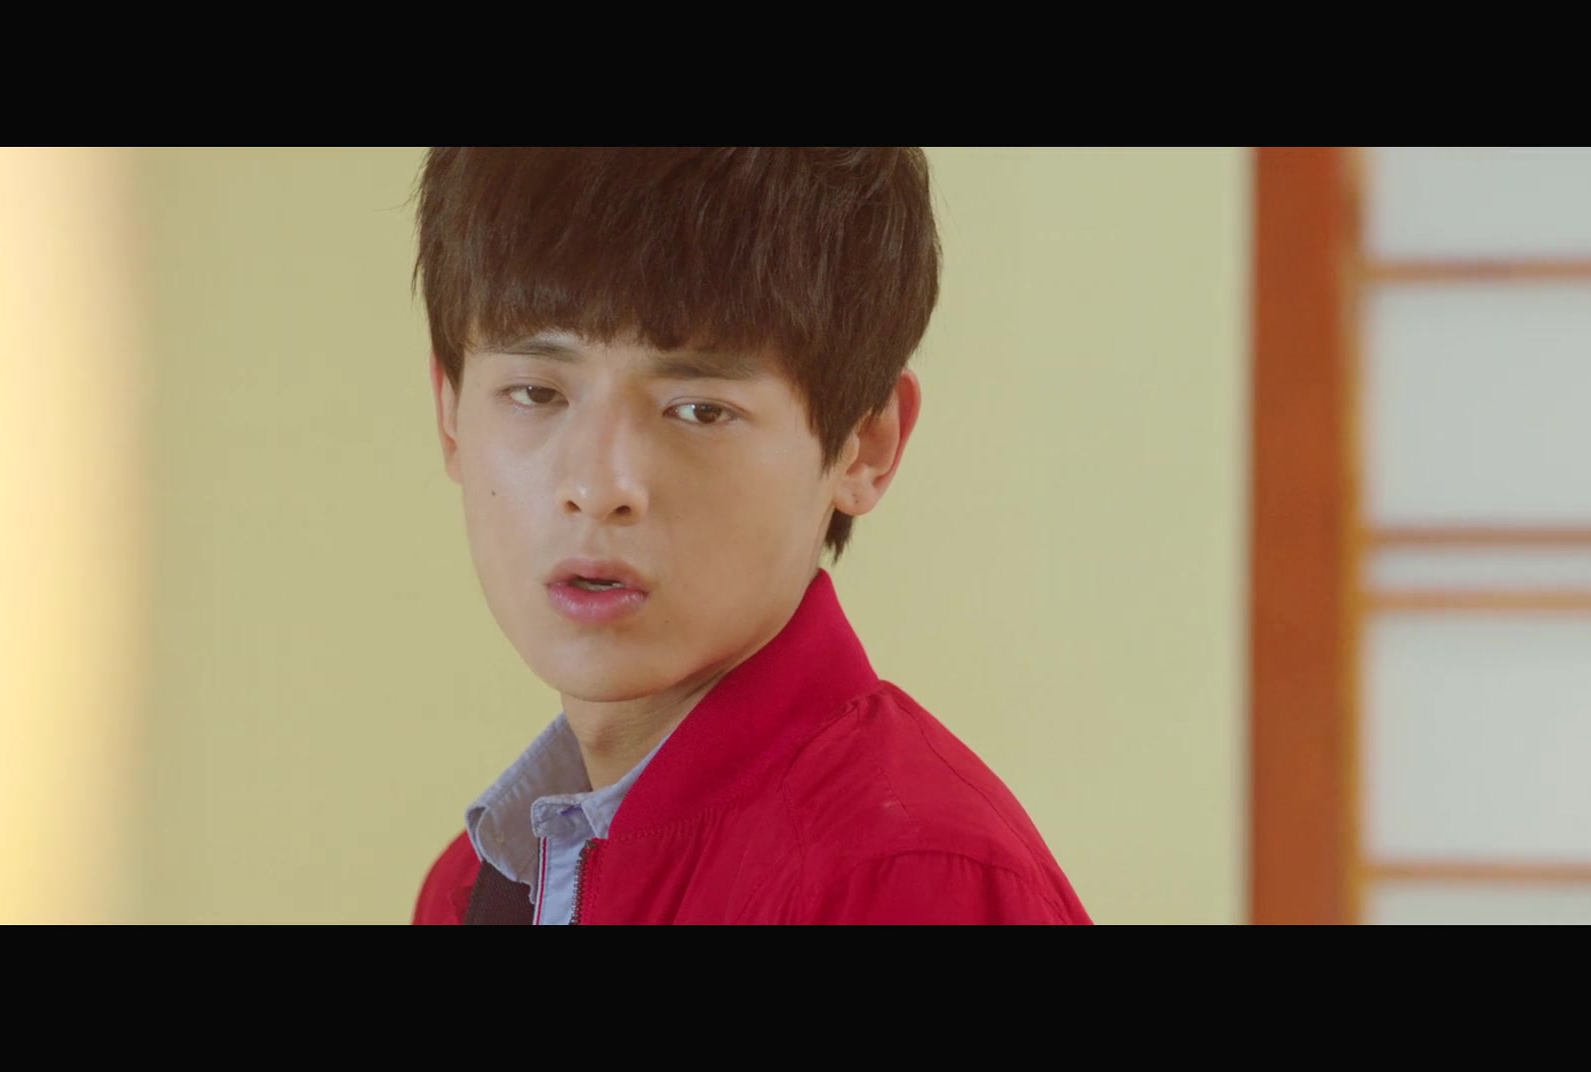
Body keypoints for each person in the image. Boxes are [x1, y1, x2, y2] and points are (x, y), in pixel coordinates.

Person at [410, 147, 1091, 925]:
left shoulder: (906, 881)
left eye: (699, 410)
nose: (598, 488)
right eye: (536, 392)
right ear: (450, 413)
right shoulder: (482, 882)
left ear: (864, 446)